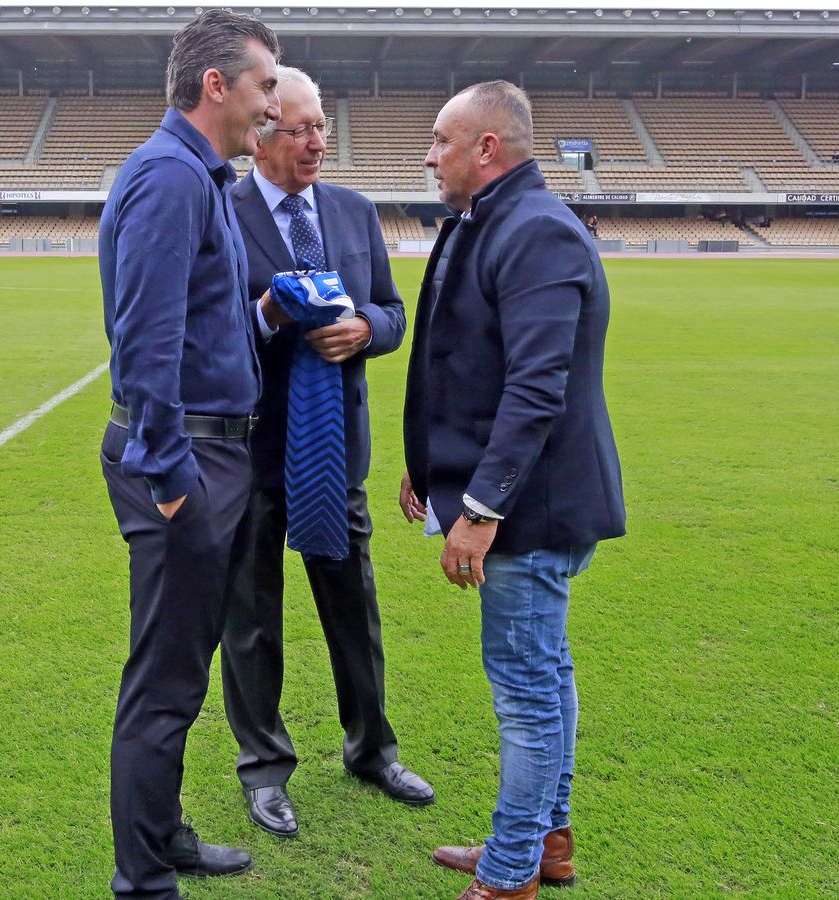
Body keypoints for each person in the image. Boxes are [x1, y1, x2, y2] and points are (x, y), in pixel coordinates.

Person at [404, 80, 625, 900]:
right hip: (523, 497)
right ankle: (545, 842)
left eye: (441, 141)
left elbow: (537, 388)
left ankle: (509, 875)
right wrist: (429, 461)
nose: (431, 157)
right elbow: (472, 363)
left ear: (486, 148)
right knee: (547, 675)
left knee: (527, 692)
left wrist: (480, 508)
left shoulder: (534, 231)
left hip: (530, 509)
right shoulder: (494, 220)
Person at [96, 10, 279, 898]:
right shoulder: (172, 177)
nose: (271, 106)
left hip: (212, 455)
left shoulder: (198, 176)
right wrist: (172, 483)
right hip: (186, 462)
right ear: (216, 85)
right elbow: (146, 342)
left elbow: (203, 325)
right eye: (264, 86)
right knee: (164, 681)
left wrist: (266, 318)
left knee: (183, 667)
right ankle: (144, 880)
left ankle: (162, 835)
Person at [221, 65, 431, 840]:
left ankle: (372, 751)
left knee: (353, 611)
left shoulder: (353, 209)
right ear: (260, 137)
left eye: (322, 129)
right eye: (301, 130)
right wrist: (266, 314)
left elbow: (394, 310)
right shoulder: (221, 212)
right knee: (252, 620)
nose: (317, 144)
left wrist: (366, 329)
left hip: (335, 451)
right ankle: (264, 768)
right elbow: (205, 330)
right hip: (250, 453)